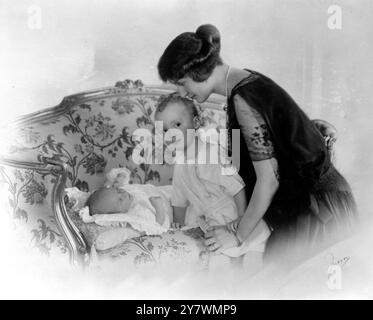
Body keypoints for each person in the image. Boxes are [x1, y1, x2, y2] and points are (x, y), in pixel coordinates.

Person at [157, 24, 358, 269]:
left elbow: (269, 180)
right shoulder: (248, 80)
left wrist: (236, 233)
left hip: (315, 213)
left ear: (200, 72)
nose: (182, 92)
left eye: (181, 83)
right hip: (313, 204)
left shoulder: (243, 100)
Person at [154, 93, 271, 272]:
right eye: (164, 130)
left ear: (196, 123)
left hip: (229, 211)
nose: (171, 134)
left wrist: (241, 220)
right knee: (215, 254)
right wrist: (177, 224)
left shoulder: (210, 154)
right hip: (206, 215)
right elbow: (179, 197)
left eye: (177, 124)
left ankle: (246, 276)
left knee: (242, 252)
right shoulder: (180, 163)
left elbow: (237, 187)